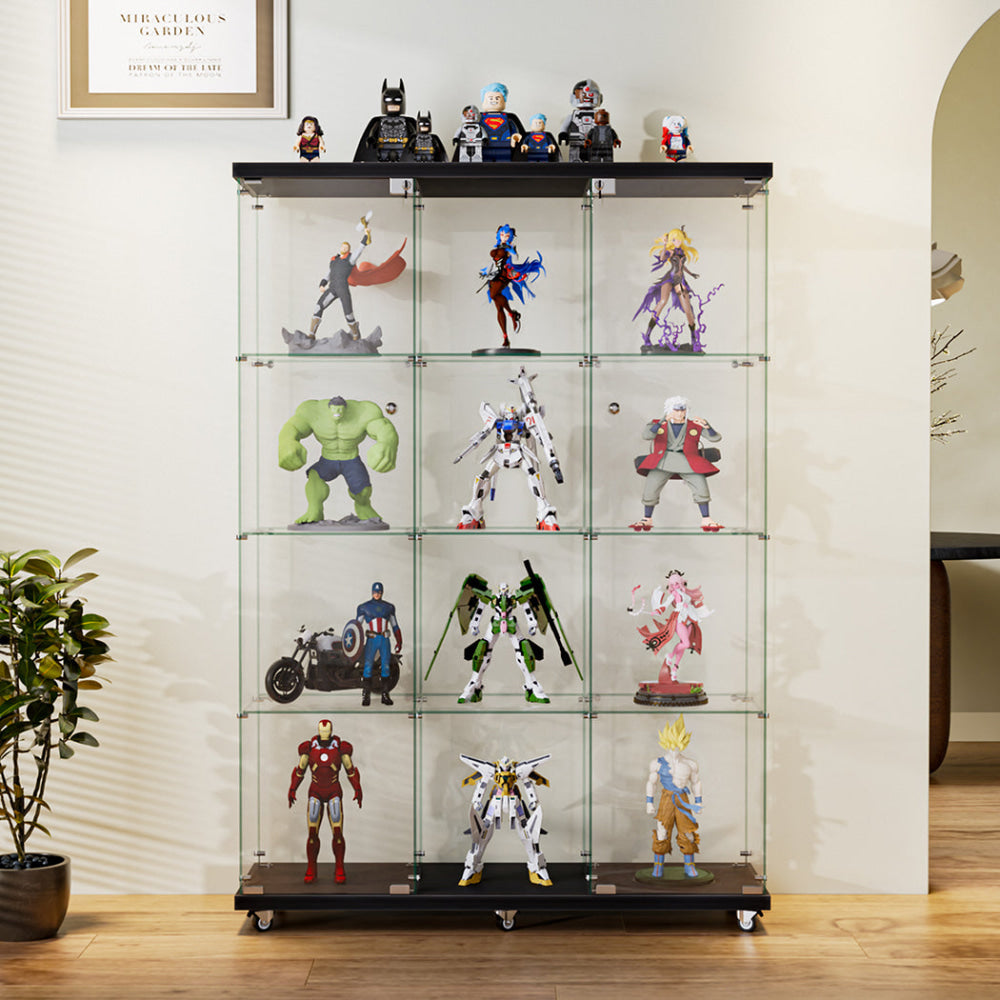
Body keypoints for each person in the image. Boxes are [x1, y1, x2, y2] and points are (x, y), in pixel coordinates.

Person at [278, 396, 398, 527]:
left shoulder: (364, 411)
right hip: (328, 459)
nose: (338, 412)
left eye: (341, 409)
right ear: (329, 408)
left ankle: (364, 506)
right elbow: (293, 427)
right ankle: (314, 509)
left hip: (351, 460)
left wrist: (387, 443)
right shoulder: (312, 411)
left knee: (363, 491)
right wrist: (286, 442)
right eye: (334, 409)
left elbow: (383, 428)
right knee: (314, 476)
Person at [631, 395, 723, 531]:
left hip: (688, 460)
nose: (680, 413)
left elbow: (716, 438)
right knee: (651, 486)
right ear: (669, 410)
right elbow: (646, 436)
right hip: (663, 461)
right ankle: (647, 518)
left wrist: (708, 427)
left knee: (700, 485)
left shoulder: (694, 425)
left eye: (682, 410)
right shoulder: (657, 423)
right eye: (676, 410)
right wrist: (661, 422)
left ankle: (706, 518)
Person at [288, 719, 362, 883]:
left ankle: (339, 867)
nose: (325, 736)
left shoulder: (340, 747)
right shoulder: (309, 748)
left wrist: (357, 788)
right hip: (316, 791)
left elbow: (350, 770)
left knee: (337, 832)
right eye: (322, 733)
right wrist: (293, 788)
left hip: (333, 790)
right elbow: (300, 770)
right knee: (312, 833)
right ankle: (311, 867)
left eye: (327, 733)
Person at [645, 715, 703, 878]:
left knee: (688, 832)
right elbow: (651, 783)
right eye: (671, 745)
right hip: (666, 798)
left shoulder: (690, 763)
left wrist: (698, 801)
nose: (674, 749)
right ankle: (658, 866)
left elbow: (696, 782)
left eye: (678, 745)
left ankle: (689, 866)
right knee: (662, 831)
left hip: (683, 798)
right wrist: (649, 802)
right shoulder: (657, 763)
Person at [355, 582, 402, 706]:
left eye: (379, 592)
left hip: (384, 639)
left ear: (382, 592)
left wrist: (399, 641)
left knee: (385, 666)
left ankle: (385, 694)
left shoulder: (389, 607)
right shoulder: (364, 607)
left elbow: (395, 625)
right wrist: (354, 643)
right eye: (375, 592)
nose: (377, 594)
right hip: (372, 639)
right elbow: (356, 627)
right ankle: (366, 695)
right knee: (368, 666)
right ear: (372, 592)